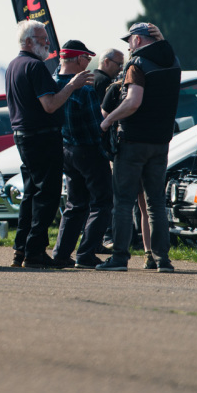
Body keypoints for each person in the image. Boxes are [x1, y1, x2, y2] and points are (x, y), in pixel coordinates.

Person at [5, 21, 93, 268]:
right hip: (41, 136)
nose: (48, 43)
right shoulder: (35, 66)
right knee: (48, 195)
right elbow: (50, 105)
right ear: (28, 41)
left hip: (24, 135)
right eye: (43, 39)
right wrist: (72, 85)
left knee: (31, 194)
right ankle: (34, 252)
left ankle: (21, 250)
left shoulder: (13, 65)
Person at [97, 22, 181, 272]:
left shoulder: (137, 65)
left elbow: (133, 101)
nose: (129, 46)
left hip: (133, 141)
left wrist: (107, 121)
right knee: (156, 203)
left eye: (130, 40)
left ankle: (119, 257)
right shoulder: (173, 62)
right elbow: (164, 52)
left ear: (138, 39)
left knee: (123, 201)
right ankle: (162, 259)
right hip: (161, 142)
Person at [50, 40, 112, 270]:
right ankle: (85, 254)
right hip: (88, 150)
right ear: (77, 59)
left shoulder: (53, 84)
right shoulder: (84, 89)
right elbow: (95, 127)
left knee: (75, 204)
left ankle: (61, 254)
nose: (88, 63)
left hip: (66, 150)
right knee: (103, 202)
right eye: (87, 58)